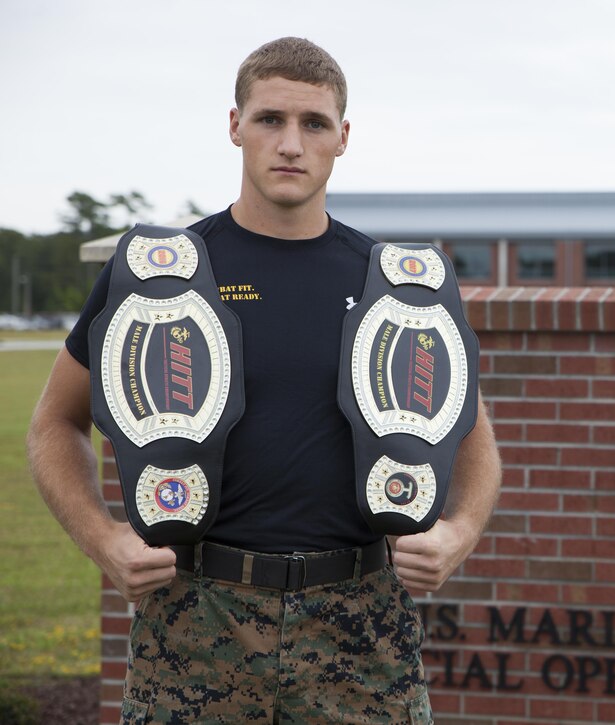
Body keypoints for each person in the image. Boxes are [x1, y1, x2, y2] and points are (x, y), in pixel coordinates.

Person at [27, 37, 501, 723]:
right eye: (270, 119)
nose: (290, 143)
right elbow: (54, 421)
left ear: (343, 137)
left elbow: (472, 435)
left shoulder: (390, 284)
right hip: (196, 615)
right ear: (234, 126)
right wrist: (105, 541)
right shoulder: (161, 276)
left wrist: (458, 532)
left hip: (360, 619)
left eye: (313, 124)